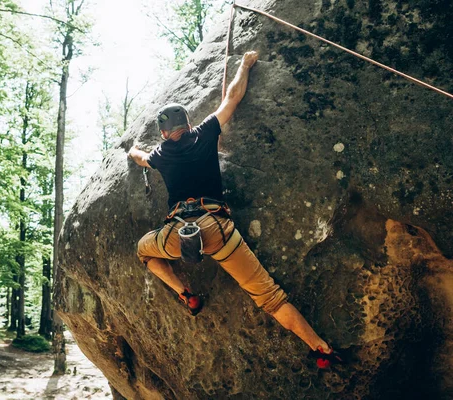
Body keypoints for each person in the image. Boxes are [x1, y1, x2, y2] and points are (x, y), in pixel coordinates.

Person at [128, 51, 342, 368]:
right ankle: (320, 348)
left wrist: (132, 148)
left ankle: (186, 295)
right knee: (269, 296)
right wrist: (245, 65)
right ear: (187, 124)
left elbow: (140, 158)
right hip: (217, 229)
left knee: (144, 251)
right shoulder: (204, 133)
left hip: (178, 233)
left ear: (164, 133)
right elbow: (232, 98)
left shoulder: (160, 153)